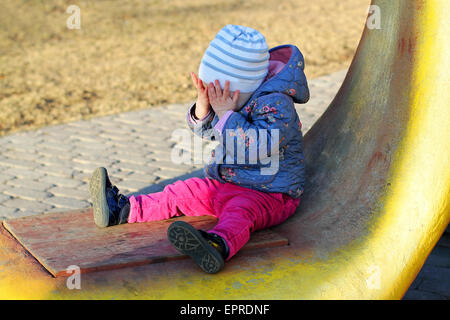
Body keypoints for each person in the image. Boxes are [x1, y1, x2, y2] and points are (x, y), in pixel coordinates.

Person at [89, 24, 309, 274]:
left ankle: (217, 245)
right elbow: (212, 131)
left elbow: (257, 147)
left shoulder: (278, 104)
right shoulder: (235, 98)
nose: (217, 102)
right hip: (226, 183)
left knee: (240, 213)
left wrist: (226, 113)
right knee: (182, 191)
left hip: (271, 194)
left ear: (241, 89)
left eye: (217, 95)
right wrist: (203, 109)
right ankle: (123, 209)